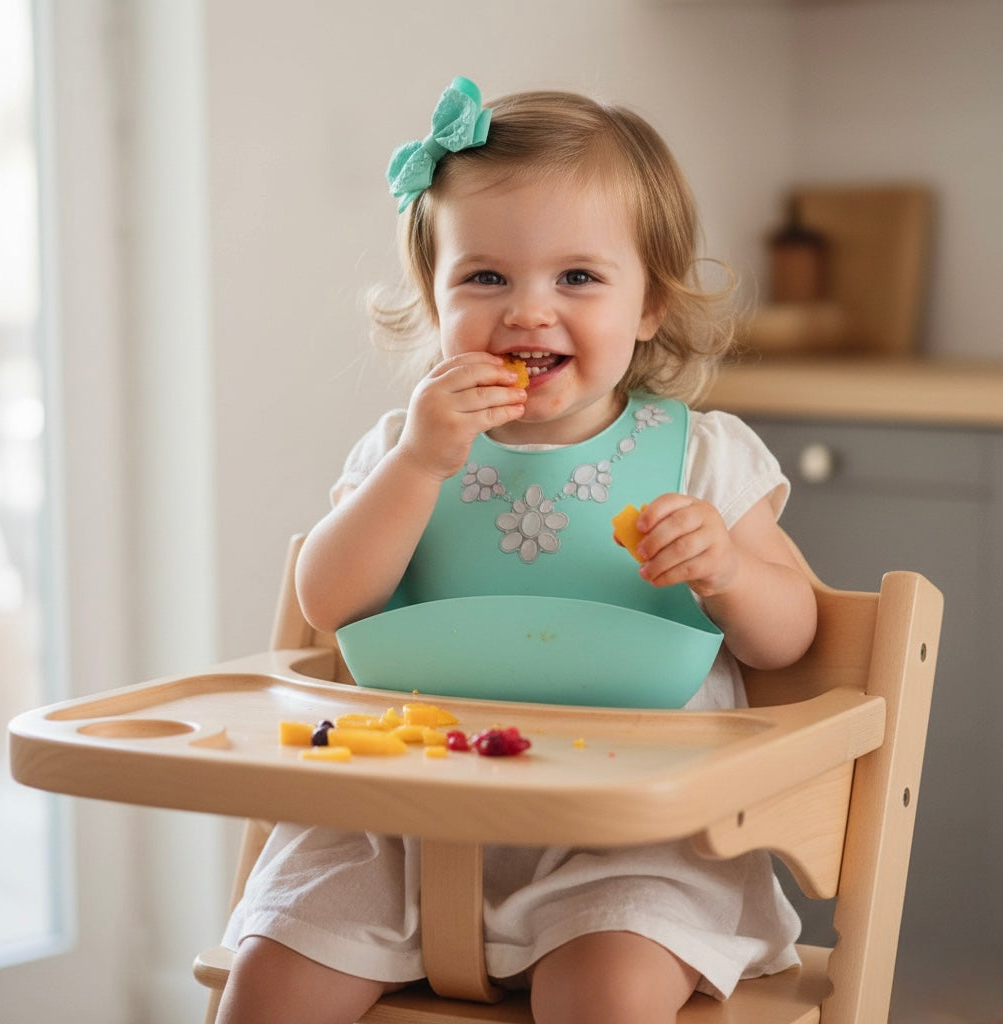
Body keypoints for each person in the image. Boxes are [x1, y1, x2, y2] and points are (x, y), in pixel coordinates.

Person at [217, 76, 818, 1024]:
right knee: (270, 984)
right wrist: (420, 464)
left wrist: (731, 574)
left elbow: (790, 637)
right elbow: (328, 601)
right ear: (435, 298)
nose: (529, 311)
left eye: (577, 278)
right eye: (486, 278)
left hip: (629, 838)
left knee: (606, 994)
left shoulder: (699, 454)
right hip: (403, 823)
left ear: (651, 304)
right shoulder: (403, 448)